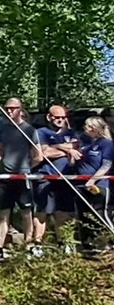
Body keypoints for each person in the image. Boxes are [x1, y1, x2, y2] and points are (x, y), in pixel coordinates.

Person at [0, 98, 41, 262]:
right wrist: (0, 162)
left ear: (20, 109)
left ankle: (28, 245)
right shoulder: (3, 129)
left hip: (22, 176)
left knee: (26, 212)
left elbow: (38, 155)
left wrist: (27, 168)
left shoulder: (29, 129)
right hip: (5, 177)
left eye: (13, 108)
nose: (10, 111)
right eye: (7, 109)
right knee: (4, 213)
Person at [33, 105, 81, 255]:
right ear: (49, 117)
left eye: (63, 118)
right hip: (45, 176)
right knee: (42, 212)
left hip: (65, 177)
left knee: (64, 212)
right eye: (57, 117)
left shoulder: (72, 133)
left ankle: (64, 242)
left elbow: (77, 149)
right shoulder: (41, 132)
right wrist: (67, 150)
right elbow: (44, 152)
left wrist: (61, 148)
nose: (60, 120)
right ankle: (37, 245)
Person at [74, 117, 113, 251]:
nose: (85, 128)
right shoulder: (86, 144)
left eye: (88, 126)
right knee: (84, 216)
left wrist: (93, 180)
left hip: (98, 185)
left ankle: (109, 240)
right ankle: (88, 245)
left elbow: (107, 164)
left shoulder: (106, 143)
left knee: (100, 214)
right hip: (81, 185)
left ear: (95, 128)